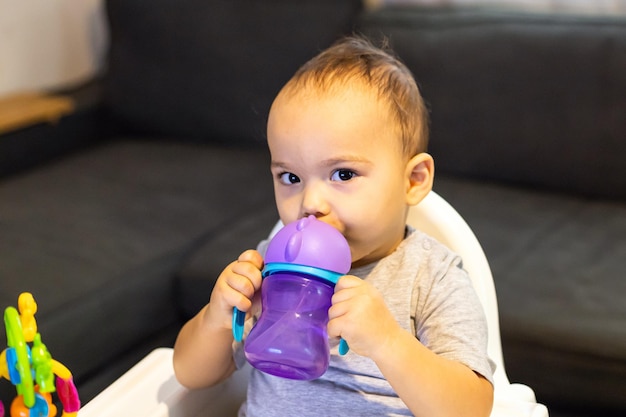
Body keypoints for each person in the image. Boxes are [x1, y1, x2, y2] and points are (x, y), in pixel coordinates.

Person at [173, 36, 495, 417]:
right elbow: (189, 375)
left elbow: (471, 408)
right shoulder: (273, 263)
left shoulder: (432, 277)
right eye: (290, 177)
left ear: (413, 180)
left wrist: (387, 342)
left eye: (343, 173)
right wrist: (217, 319)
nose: (311, 203)